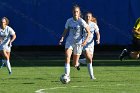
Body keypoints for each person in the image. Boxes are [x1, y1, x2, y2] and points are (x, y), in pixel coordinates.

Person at [59, 5, 91, 77]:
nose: (75, 13)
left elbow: (89, 32)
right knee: (67, 57)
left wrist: (85, 41)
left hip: (78, 43)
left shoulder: (81, 21)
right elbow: (65, 31)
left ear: (79, 13)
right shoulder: (69, 21)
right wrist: (62, 38)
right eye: (74, 11)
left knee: (74, 64)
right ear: (72, 12)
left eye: (77, 11)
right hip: (69, 41)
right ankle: (67, 76)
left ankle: (77, 64)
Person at [78, 12, 100, 79]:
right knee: (89, 59)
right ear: (85, 17)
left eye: (89, 16)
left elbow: (98, 33)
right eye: (87, 16)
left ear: (91, 17)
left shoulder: (94, 25)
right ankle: (92, 76)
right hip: (84, 43)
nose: (88, 18)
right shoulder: (82, 24)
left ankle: (77, 61)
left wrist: (98, 39)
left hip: (91, 44)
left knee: (89, 60)